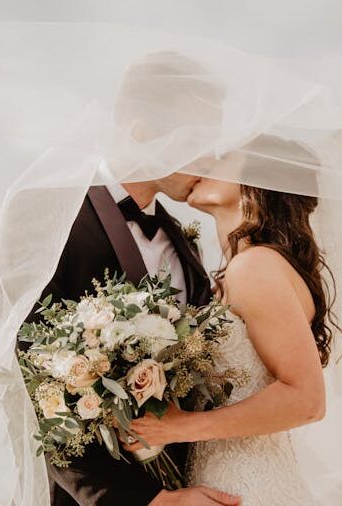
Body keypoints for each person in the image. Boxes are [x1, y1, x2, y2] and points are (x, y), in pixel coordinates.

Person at [23, 51, 239, 506]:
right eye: (199, 137)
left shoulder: (186, 245)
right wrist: (151, 501)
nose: (211, 156)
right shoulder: (50, 216)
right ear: (143, 130)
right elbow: (31, 385)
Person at [127, 136, 337, 505]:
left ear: (256, 181)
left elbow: (307, 399)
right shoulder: (242, 269)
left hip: (247, 485)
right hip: (222, 479)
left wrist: (179, 427)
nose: (204, 161)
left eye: (223, 158)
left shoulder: (255, 267)